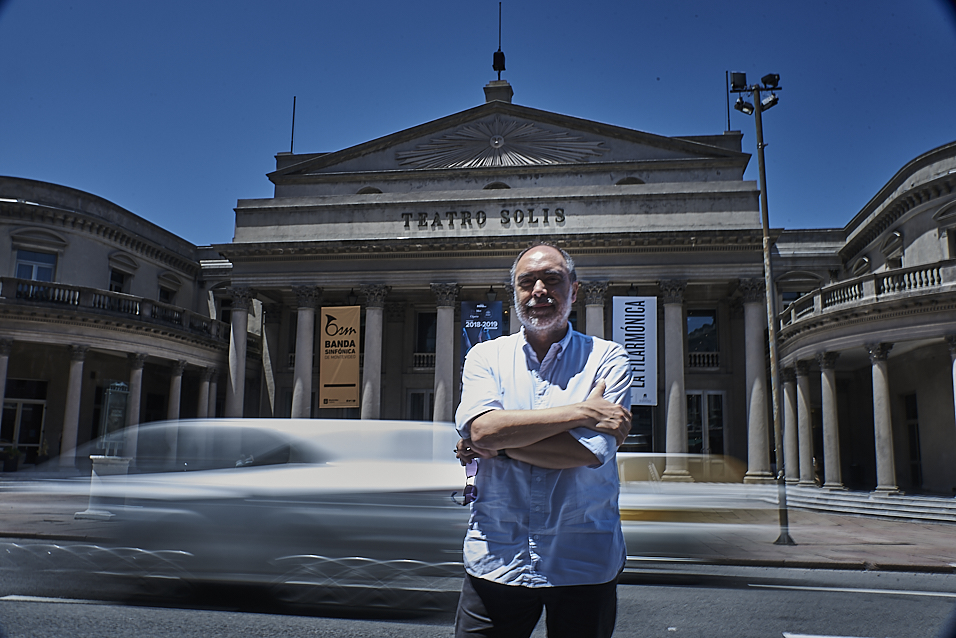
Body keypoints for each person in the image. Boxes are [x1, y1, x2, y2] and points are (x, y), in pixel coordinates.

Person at [454, 243, 633, 638]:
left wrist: (500, 442)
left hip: (582, 561)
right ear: (513, 293)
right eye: (526, 282)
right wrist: (583, 413)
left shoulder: (608, 359)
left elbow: (586, 452)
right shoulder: (484, 357)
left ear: (575, 289)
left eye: (552, 279)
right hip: (496, 556)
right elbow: (482, 430)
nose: (539, 290)